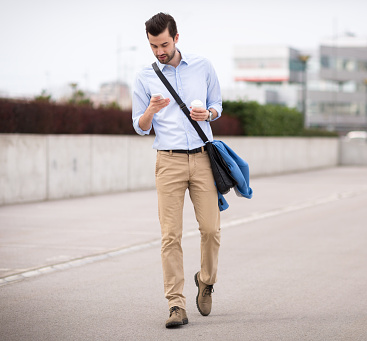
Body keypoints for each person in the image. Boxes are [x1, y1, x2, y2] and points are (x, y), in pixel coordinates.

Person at [131, 12, 222, 328]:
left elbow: (218, 106)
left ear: (176, 38)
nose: (159, 51)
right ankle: (176, 305)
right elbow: (140, 127)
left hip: (201, 159)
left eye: (164, 44)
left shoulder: (203, 66)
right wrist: (150, 112)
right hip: (167, 160)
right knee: (170, 235)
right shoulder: (145, 75)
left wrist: (207, 114)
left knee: (211, 230)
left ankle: (206, 280)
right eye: (153, 46)